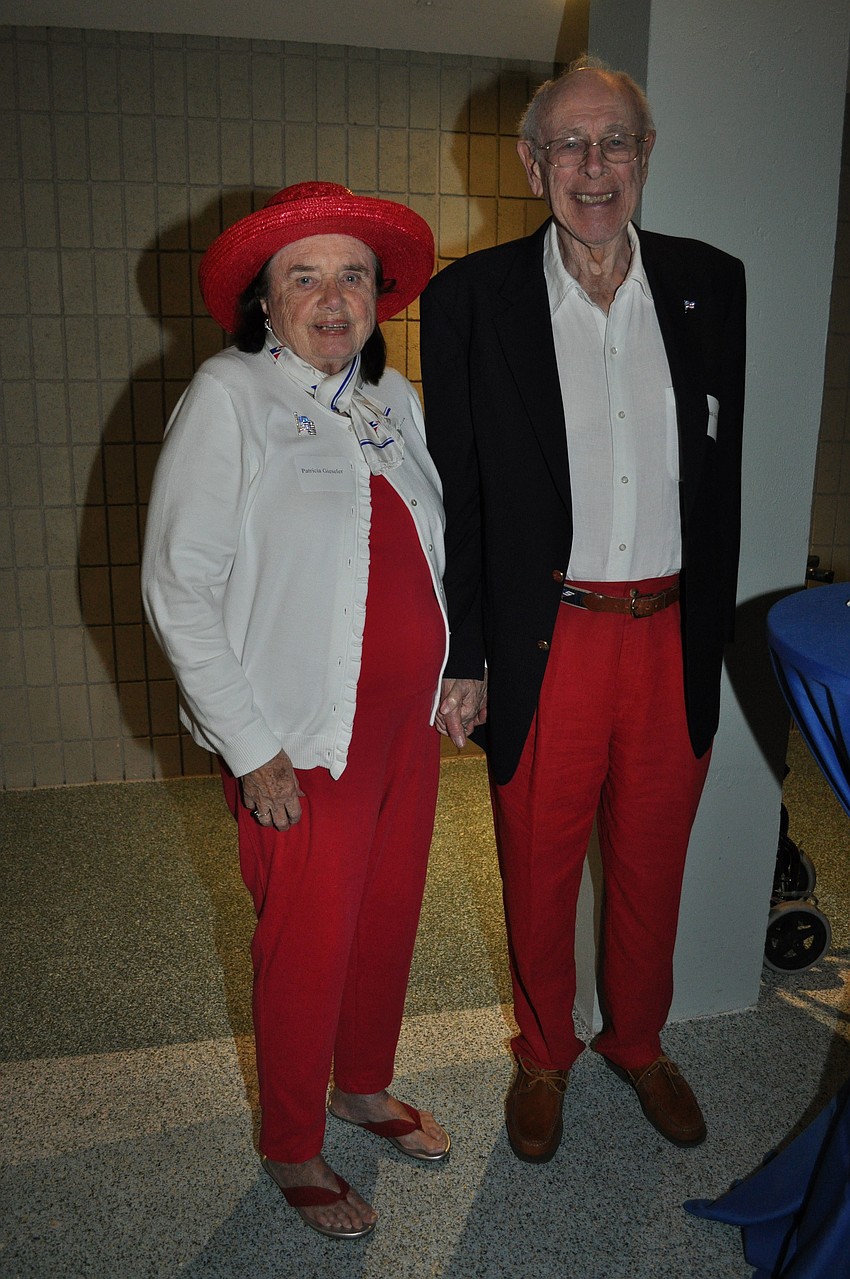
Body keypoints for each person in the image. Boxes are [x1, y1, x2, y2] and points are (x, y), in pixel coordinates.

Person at [419, 57, 746, 1163]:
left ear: (646, 157)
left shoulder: (711, 283)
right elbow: (459, 492)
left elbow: (719, 471)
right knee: (538, 860)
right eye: (569, 143)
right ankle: (545, 1049)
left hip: (669, 634)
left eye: (616, 142)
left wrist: (715, 637)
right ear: (531, 164)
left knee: (653, 862)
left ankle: (638, 1041)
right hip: (545, 638)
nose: (593, 166)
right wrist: (466, 653)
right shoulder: (471, 300)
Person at [142, 182, 451, 1239]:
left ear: (378, 295)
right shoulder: (230, 394)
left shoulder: (392, 398)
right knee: (306, 945)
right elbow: (177, 584)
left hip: (406, 731)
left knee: (385, 921)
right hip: (301, 741)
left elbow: (429, 552)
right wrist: (251, 745)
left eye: (352, 274)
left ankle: (360, 1085)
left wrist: (456, 671)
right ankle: (290, 1142)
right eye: (304, 276)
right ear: (264, 302)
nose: (332, 296)